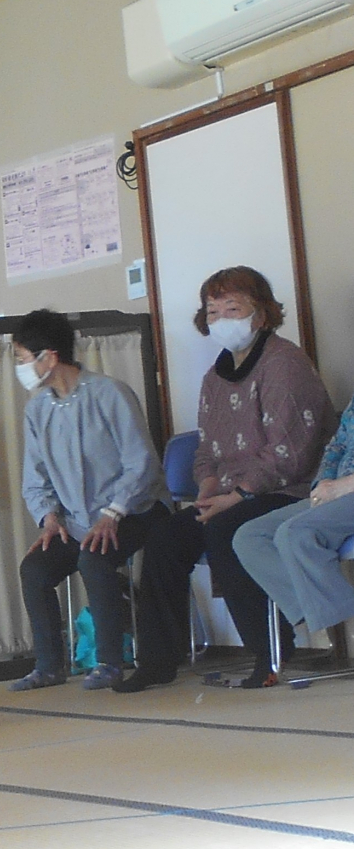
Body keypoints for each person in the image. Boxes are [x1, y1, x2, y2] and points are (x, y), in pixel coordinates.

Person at [126, 268, 332, 692]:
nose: (221, 319)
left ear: (261, 314)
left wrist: (236, 495)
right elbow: (206, 450)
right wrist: (206, 486)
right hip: (229, 494)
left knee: (225, 530)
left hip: (289, 490)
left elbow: (290, 454)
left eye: (232, 309)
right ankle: (157, 661)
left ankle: (269, 650)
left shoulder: (285, 364)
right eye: (213, 312)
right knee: (165, 538)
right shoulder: (214, 378)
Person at [9, 309, 170, 692]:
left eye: (22, 358)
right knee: (34, 569)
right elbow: (35, 479)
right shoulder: (36, 410)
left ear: (49, 357)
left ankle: (110, 662)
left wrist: (113, 512)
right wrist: (49, 518)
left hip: (134, 510)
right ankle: (49, 665)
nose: (20, 368)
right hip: (77, 520)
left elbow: (141, 463)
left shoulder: (109, 393)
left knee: (93, 558)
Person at [234, 391, 354, 662]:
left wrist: (341, 487)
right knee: (250, 536)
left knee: (294, 533)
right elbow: (336, 446)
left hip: (348, 490)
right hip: (336, 491)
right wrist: (322, 485)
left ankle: (338, 618)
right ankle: (318, 610)